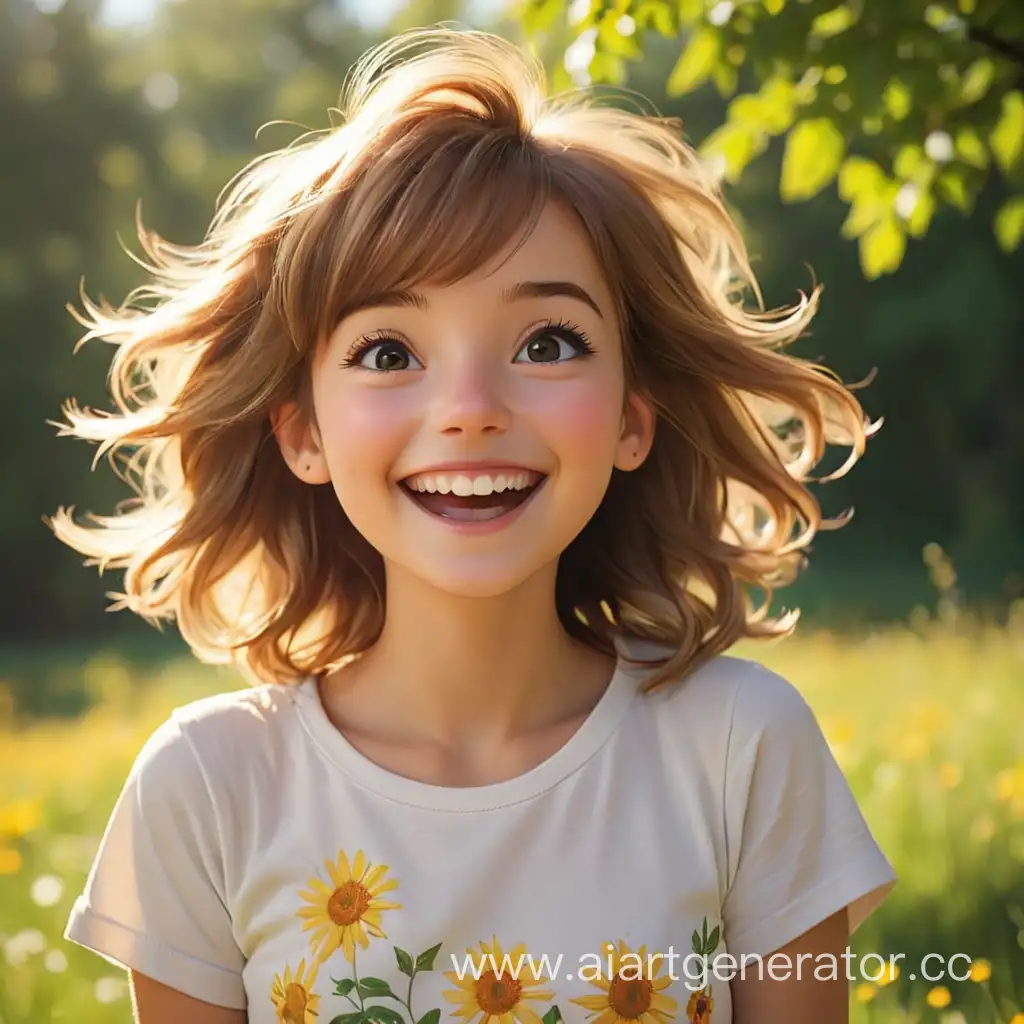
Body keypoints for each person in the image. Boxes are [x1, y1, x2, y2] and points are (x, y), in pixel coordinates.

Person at [52, 26, 896, 1024]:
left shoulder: (741, 748)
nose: (469, 406)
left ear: (633, 416)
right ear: (302, 433)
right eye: (384, 350)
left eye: (546, 340)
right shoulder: (206, 785)